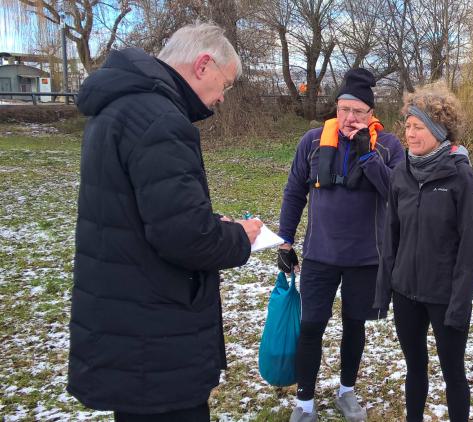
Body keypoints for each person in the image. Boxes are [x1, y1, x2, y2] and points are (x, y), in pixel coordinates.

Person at [67, 23, 263, 421]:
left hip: (126, 317)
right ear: (203, 65)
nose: (222, 97)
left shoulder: (118, 108)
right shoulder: (161, 119)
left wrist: (206, 220)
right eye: (224, 84)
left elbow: (141, 213)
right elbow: (186, 238)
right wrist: (239, 236)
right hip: (158, 334)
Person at [277, 68, 405, 422]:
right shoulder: (313, 140)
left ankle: (346, 391)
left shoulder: (390, 145)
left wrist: (368, 156)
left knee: (354, 325)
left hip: (366, 257)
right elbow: (293, 192)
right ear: (336, 109)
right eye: (344, 109)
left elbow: (396, 194)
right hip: (320, 254)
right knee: (310, 326)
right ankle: (304, 402)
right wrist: (285, 241)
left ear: (371, 114)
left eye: (359, 112)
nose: (350, 118)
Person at [373, 82, 473, 422]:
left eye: (418, 127)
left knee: (453, 372)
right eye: (407, 126)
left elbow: (471, 249)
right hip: (406, 292)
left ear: (438, 131)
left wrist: (460, 304)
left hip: (444, 294)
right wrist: (384, 291)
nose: (410, 133)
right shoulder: (401, 174)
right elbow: (391, 236)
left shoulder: (462, 177)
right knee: (414, 369)